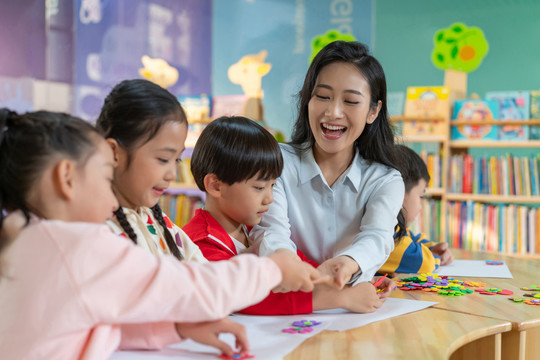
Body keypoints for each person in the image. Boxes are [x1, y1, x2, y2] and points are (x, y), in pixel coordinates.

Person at [0, 109, 321, 359]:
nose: (112, 198)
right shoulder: (76, 246)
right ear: (67, 178)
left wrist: (177, 327)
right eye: (104, 177)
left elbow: (93, 324)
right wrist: (274, 267)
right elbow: (192, 286)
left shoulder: (29, 240)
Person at [183, 116, 394, 315]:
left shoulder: (250, 227)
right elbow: (244, 297)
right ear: (216, 186)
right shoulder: (199, 243)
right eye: (259, 187)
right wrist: (342, 298)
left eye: (273, 186)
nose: (269, 199)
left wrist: (350, 282)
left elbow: (297, 266)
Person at [252, 40, 407, 288]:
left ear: (373, 111)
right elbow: (271, 231)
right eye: (322, 96)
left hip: (354, 307)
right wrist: (290, 266)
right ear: (307, 100)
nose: (333, 112)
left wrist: (346, 264)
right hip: (287, 302)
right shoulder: (276, 162)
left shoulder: (384, 180)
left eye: (351, 101)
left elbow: (377, 237)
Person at [95, 79, 205, 262]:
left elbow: (206, 274)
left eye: (177, 160)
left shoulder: (157, 220)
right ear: (114, 152)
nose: (172, 174)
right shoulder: (97, 230)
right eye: (163, 159)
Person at [378, 145, 454, 274]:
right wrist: (437, 257)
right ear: (398, 193)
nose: (420, 206)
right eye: (420, 196)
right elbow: (425, 263)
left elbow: (411, 238)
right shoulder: (383, 237)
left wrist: (432, 248)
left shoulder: (394, 229)